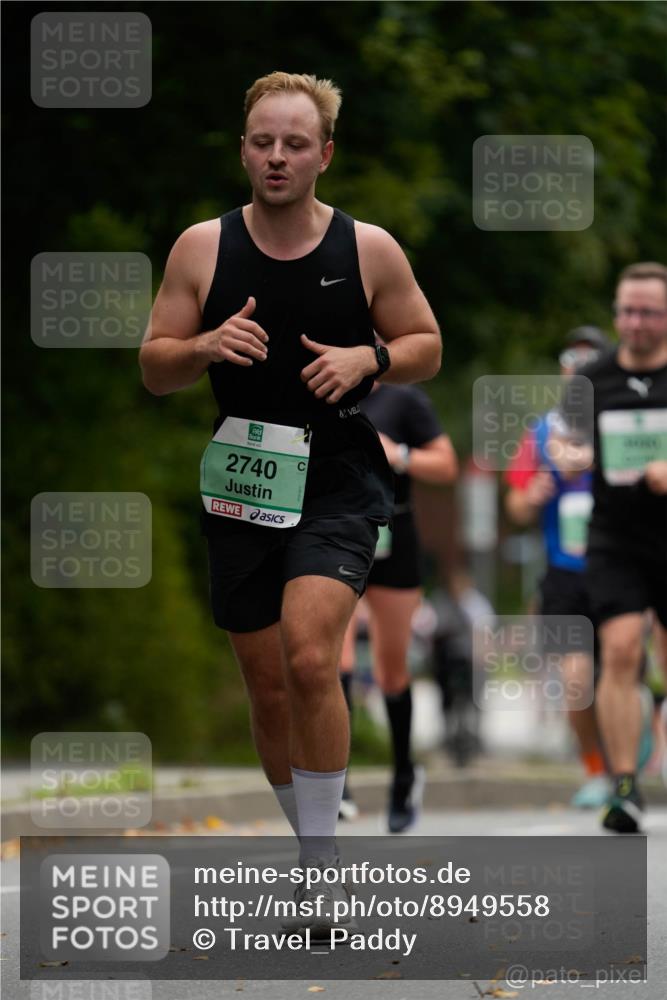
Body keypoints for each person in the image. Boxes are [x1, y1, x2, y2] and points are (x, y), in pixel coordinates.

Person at [139, 71, 442, 922]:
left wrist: (368, 360)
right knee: (267, 686)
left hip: (338, 473)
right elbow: (154, 366)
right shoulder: (201, 247)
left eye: (295, 143)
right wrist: (200, 344)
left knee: (311, 656)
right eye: (263, 142)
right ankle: (309, 838)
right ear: (243, 149)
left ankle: (320, 865)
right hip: (241, 474)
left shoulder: (367, 248)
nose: (277, 157)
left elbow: (425, 342)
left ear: (324, 156)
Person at [561, 262, 667, 833]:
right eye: (628, 310)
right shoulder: (591, 380)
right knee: (621, 648)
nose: (637, 322)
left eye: (649, 311)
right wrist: (571, 455)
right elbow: (569, 441)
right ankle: (623, 785)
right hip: (616, 537)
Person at [338, 381, 457, 832]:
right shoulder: (318, 387)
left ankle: (404, 775)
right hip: (332, 533)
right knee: (337, 661)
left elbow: (447, 465)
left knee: (391, 672)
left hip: (393, 534)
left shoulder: (403, 399)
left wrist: (400, 455)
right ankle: (336, 782)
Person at [505, 327, 616, 807]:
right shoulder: (542, 430)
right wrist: (530, 498)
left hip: (620, 564)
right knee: (576, 679)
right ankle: (596, 769)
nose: (580, 366)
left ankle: (626, 763)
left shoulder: (622, 422)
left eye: (591, 359)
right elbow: (515, 504)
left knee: (622, 671)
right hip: (565, 570)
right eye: (572, 357)